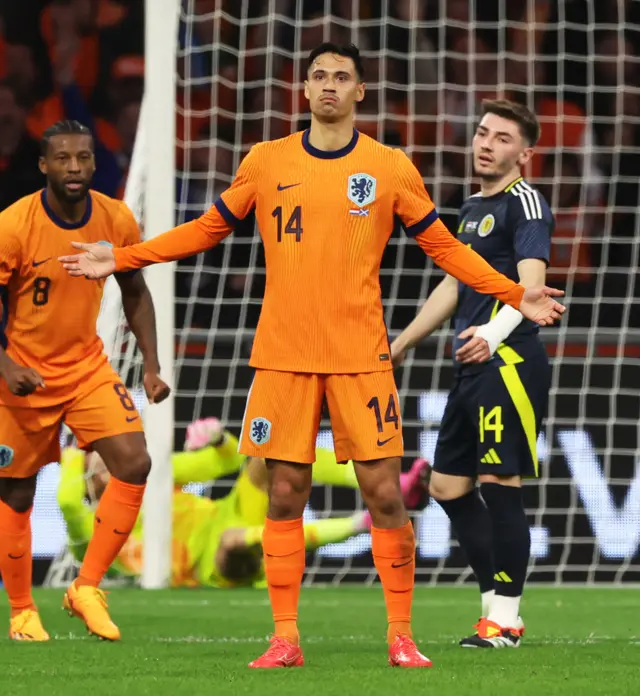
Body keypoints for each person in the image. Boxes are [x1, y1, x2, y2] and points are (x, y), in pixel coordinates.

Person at [59, 44, 564, 668]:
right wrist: (125, 256)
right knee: (284, 493)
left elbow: (447, 253)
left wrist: (518, 294)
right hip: (283, 356)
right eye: (319, 76)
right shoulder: (266, 161)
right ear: (303, 90)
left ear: (360, 92)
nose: (329, 85)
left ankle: (401, 637)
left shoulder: (390, 167)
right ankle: (285, 638)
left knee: (383, 493)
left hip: (361, 356)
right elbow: (207, 228)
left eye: (342, 77)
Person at [391, 99, 554, 649]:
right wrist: (405, 341)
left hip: (506, 362)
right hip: (470, 365)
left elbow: (532, 289)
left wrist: (492, 334)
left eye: (502, 138)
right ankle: (495, 610)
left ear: (524, 154)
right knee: (445, 485)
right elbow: (455, 284)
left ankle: (505, 619)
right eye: (483, 133)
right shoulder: (469, 208)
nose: (486, 143)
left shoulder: (525, 203)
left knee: (499, 482)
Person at [0, 119, 169, 642]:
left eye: (84, 158)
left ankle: (86, 587)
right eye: (64, 159)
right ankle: (24, 610)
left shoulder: (115, 217)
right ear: (44, 166)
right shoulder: (14, 225)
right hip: (22, 371)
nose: (75, 168)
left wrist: (152, 362)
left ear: (95, 163)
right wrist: (6, 367)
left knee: (135, 461)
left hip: (86, 368)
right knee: (17, 494)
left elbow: (134, 289)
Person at [57, 417, 429, 587]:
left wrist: (218, 438)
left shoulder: (149, 478)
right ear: (89, 481)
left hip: (229, 512)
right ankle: (363, 525)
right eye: (97, 464)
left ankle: (393, 487)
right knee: (233, 542)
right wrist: (73, 452)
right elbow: (68, 504)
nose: (107, 462)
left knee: (270, 458)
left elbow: (225, 460)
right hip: (210, 567)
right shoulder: (95, 532)